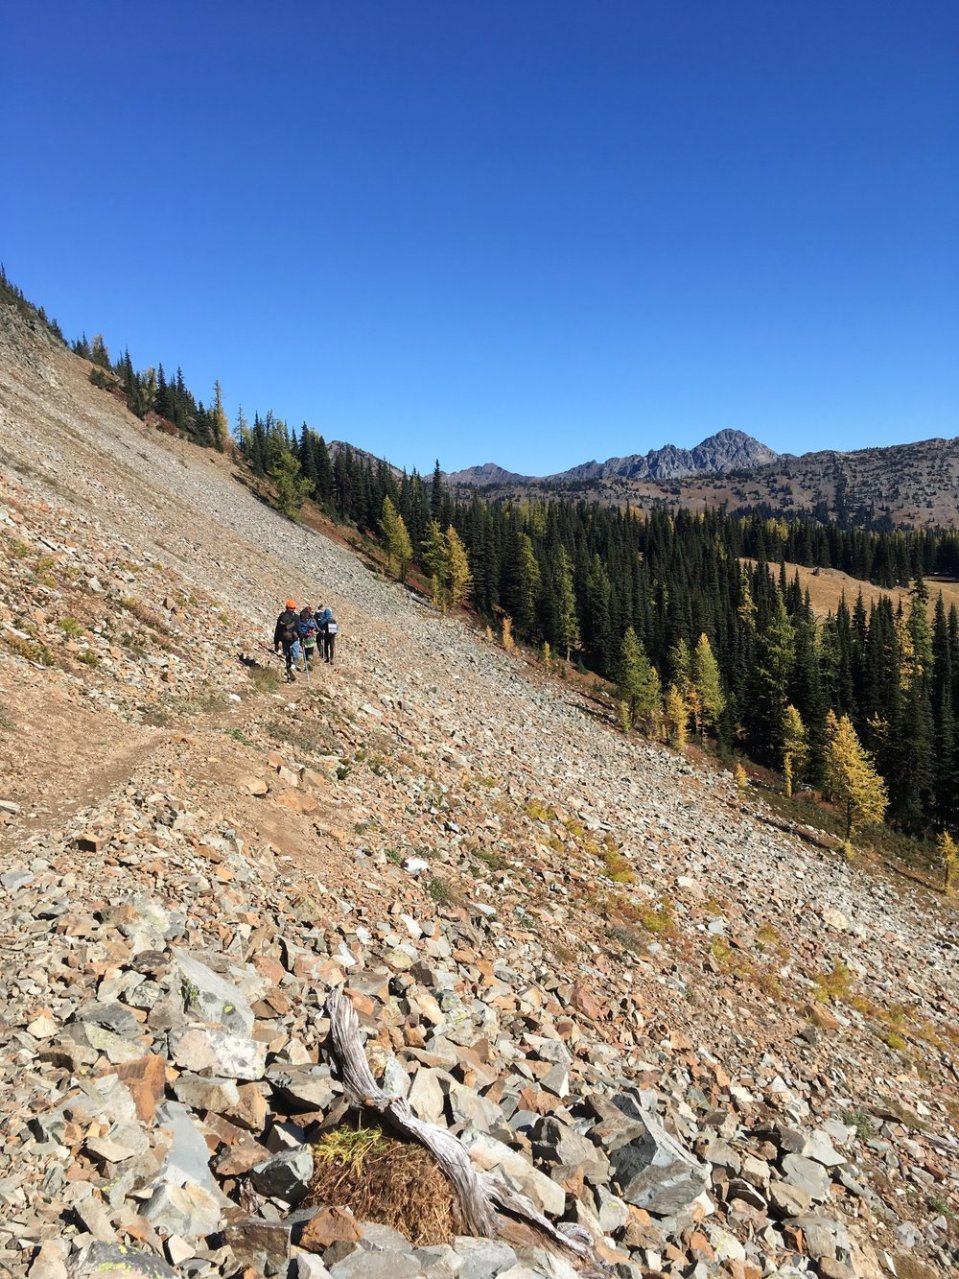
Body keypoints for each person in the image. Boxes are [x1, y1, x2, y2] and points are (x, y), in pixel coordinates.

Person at [273, 599, 300, 682]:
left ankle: (288, 677)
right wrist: (301, 638)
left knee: (288, 657)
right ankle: (293, 667)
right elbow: (298, 629)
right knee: (295, 657)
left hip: (284, 640)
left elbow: (277, 630)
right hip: (294, 639)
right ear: (294, 608)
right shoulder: (296, 617)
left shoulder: (281, 617)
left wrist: (276, 643)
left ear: (286, 607)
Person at [297, 606, 319, 671]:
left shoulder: (299, 617)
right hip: (311, 638)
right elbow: (316, 628)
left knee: (304, 652)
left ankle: (305, 665)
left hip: (303, 637)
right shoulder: (312, 619)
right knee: (310, 653)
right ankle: (308, 665)